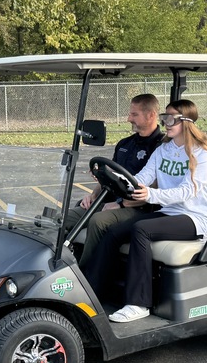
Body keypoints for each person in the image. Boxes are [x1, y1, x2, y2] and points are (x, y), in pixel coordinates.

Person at [80, 99, 207, 323]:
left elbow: (186, 192)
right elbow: (142, 178)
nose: (165, 122)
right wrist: (115, 180)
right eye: (164, 117)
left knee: (141, 229)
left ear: (187, 122)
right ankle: (90, 295)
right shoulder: (164, 149)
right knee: (114, 232)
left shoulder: (201, 154)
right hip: (168, 213)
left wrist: (151, 195)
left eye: (170, 118)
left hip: (194, 218)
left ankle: (139, 303)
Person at [64, 94, 163, 264]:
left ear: (151, 115)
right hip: (110, 201)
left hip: (140, 207)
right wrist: (92, 196)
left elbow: (153, 190)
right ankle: (57, 265)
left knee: (98, 221)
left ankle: (86, 275)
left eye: (134, 114)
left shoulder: (161, 147)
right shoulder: (125, 144)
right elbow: (110, 178)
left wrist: (121, 204)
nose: (128, 118)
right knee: (62, 219)